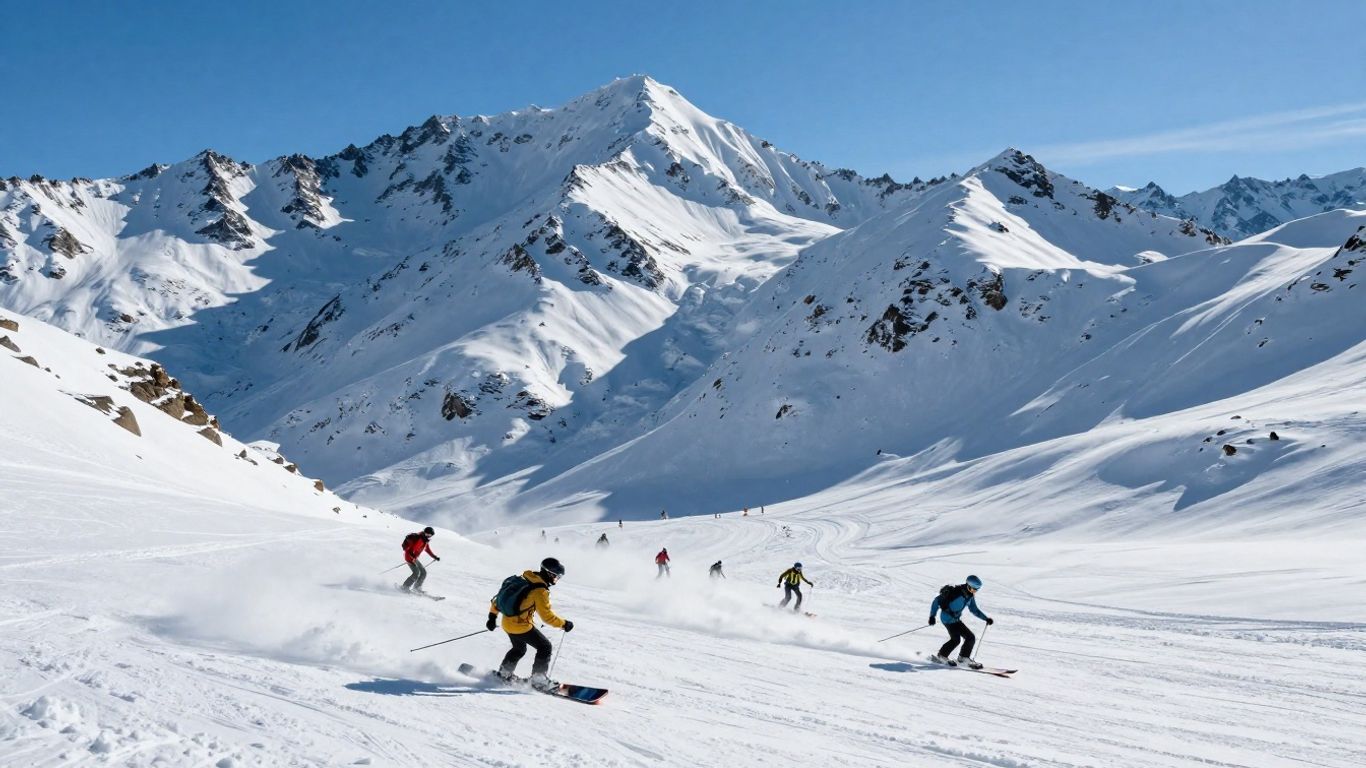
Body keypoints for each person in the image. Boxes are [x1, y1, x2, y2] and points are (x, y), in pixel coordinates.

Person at [486, 557, 573, 690]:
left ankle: (504, 674)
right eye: (556, 576)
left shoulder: (525, 578)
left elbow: (498, 600)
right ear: (549, 573)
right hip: (520, 626)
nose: (556, 580)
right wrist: (564, 624)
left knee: (519, 649)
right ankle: (538, 680)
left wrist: (492, 617)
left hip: (507, 623)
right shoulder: (540, 590)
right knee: (545, 647)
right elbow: (547, 616)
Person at [927, 575, 993, 669]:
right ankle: (941, 656)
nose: (974, 592)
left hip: (956, 620)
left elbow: (974, 609)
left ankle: (963, 658)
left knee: (970, 637)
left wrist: (985, 618)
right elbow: (936, 601)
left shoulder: (969, 596)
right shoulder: (955, 592)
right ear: (968, 586)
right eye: (974, 589)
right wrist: (932, 616)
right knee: (955, 640)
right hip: (947, 619)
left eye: (976, 590)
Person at [400, 527, 440, 593]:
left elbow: (427, 550)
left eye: (430, 535)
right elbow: (411, 549)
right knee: (416, 573)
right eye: (427, 533)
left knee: (423, 572)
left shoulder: (425, 540)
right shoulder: (420, 539)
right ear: (424, 532)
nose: (428, 535)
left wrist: (434, 557)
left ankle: (417, 588)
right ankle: (405, 587)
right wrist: (412, 555)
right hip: (409, 557)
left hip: (414, 558)